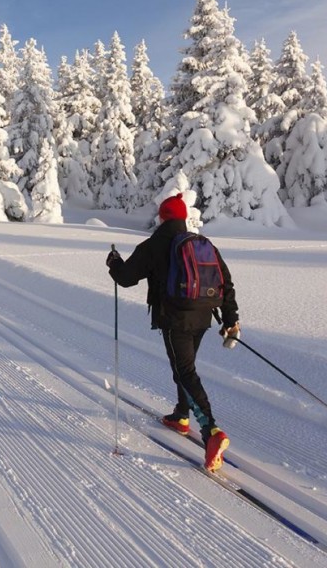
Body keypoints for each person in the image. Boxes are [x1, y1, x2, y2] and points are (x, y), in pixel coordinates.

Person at [106, 194, 240, 472]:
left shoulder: (155, 244)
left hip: (174, 318)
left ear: (163, 217)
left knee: (184, 372)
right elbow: (225, 283)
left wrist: (114, 262)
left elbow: (126, 278)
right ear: (183, 218)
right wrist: (230, 320)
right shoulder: (203, 244)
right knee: (185, 366)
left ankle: (212, 432)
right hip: (203, 317)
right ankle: (181, 415)